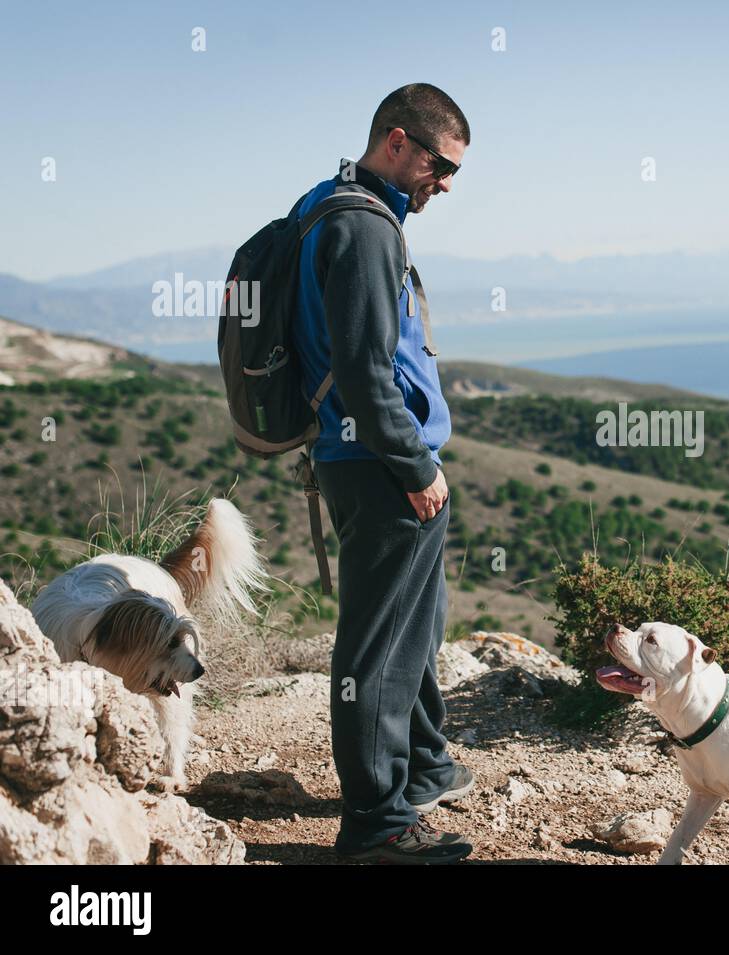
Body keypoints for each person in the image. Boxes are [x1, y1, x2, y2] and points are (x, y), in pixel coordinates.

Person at [290, 83, 473, 864]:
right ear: (397, 142)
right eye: (441, 165)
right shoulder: (365, 227)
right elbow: (366, 372)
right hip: (380, 465)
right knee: (381, 649)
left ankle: (424, 764)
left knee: (413, 626)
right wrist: (415, 464)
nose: (447, 184)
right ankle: (377, 824)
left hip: (363, 458)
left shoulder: (327, 203)